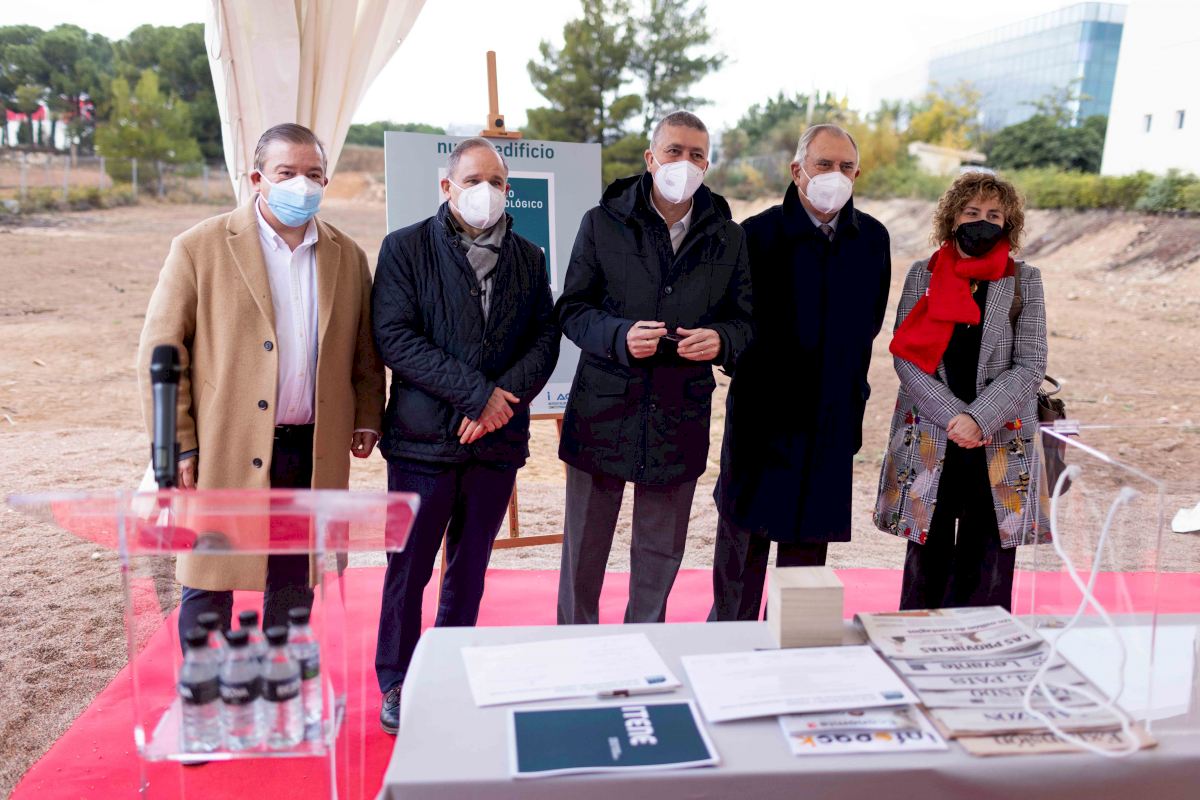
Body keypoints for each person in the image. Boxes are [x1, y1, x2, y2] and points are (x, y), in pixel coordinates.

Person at [137, 122, 384, 641]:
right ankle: (205, 682)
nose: (302, 184)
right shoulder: (199, 247)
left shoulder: (347, 255)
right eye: (286, 172)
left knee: (296, 576)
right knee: (210, 577)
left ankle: (281, 675)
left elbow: (364, 350)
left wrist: (367, 415)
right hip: (222, 444)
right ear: (257, 178)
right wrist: (177, 444)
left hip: (312, 446)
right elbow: (161, 351)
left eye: (313, 173)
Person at [372, 137, 559, 734]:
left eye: (498, 182)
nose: (487, 192)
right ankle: (397, 679)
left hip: (495, 445)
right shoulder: (405, 248)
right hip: (422, 444)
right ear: (447, 186)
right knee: (409, 568)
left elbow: (545, 339)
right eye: (474, 180)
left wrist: (501, 402)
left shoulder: (528, 257)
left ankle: (449, 666)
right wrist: (477, 395)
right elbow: (395, 337)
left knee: (470, 566)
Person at [556, 110, 753, 626]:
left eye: (696, 155)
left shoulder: (729, 237)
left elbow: (745, 322)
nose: (684, 163)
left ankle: (644, 643)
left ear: (707, 165)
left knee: (660, 552)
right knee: (584, 549)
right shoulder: (601, 223)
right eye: (674, 151)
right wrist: (617, 336)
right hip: (602, 409)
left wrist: (723, 340)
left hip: (678, 414)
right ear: (650, 158)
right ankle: (573, 643)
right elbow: (572, 309)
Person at [710, 124, 892, 621]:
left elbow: (870, 323)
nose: (836, 175)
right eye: (823, 164)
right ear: (797, 170)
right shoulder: (755, 234)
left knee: (808, 550)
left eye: (846, 167)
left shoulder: (872, 239)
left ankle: (791, 641)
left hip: (831, 415)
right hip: (762, 416)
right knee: (742, 543)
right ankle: (727, 637)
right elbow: (734, 321)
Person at [874, 170, 1050, 611]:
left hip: (999, 436)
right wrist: (955, 416)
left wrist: (978, 419)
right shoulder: (923, 274)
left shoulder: (1025, 280)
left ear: (1008, 224)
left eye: (994, 215)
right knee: (925, 558)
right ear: (953, 218)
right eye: (972, 212)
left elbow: (1031, 364)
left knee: (988, 559)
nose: (982, 222)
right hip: (935, 433)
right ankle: (918, 637)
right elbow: (906, 356)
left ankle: (984, 640)